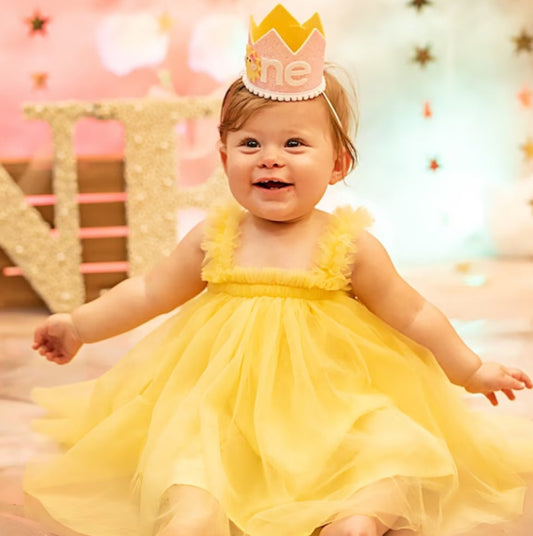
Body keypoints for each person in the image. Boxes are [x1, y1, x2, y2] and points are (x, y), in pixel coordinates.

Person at [26, 4, 533, 536]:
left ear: (338, 163)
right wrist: (79, 326)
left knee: (385, 451)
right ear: (224, 160)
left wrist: (469, 369)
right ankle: (198, 517)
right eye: (250, 144)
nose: (270, 158)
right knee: (193, 475)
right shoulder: (214, 238)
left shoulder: (349, 245)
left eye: (294, 143)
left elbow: (415, 312)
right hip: (224, 408)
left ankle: (355, 520)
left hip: (332, 404)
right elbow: (148, 291)